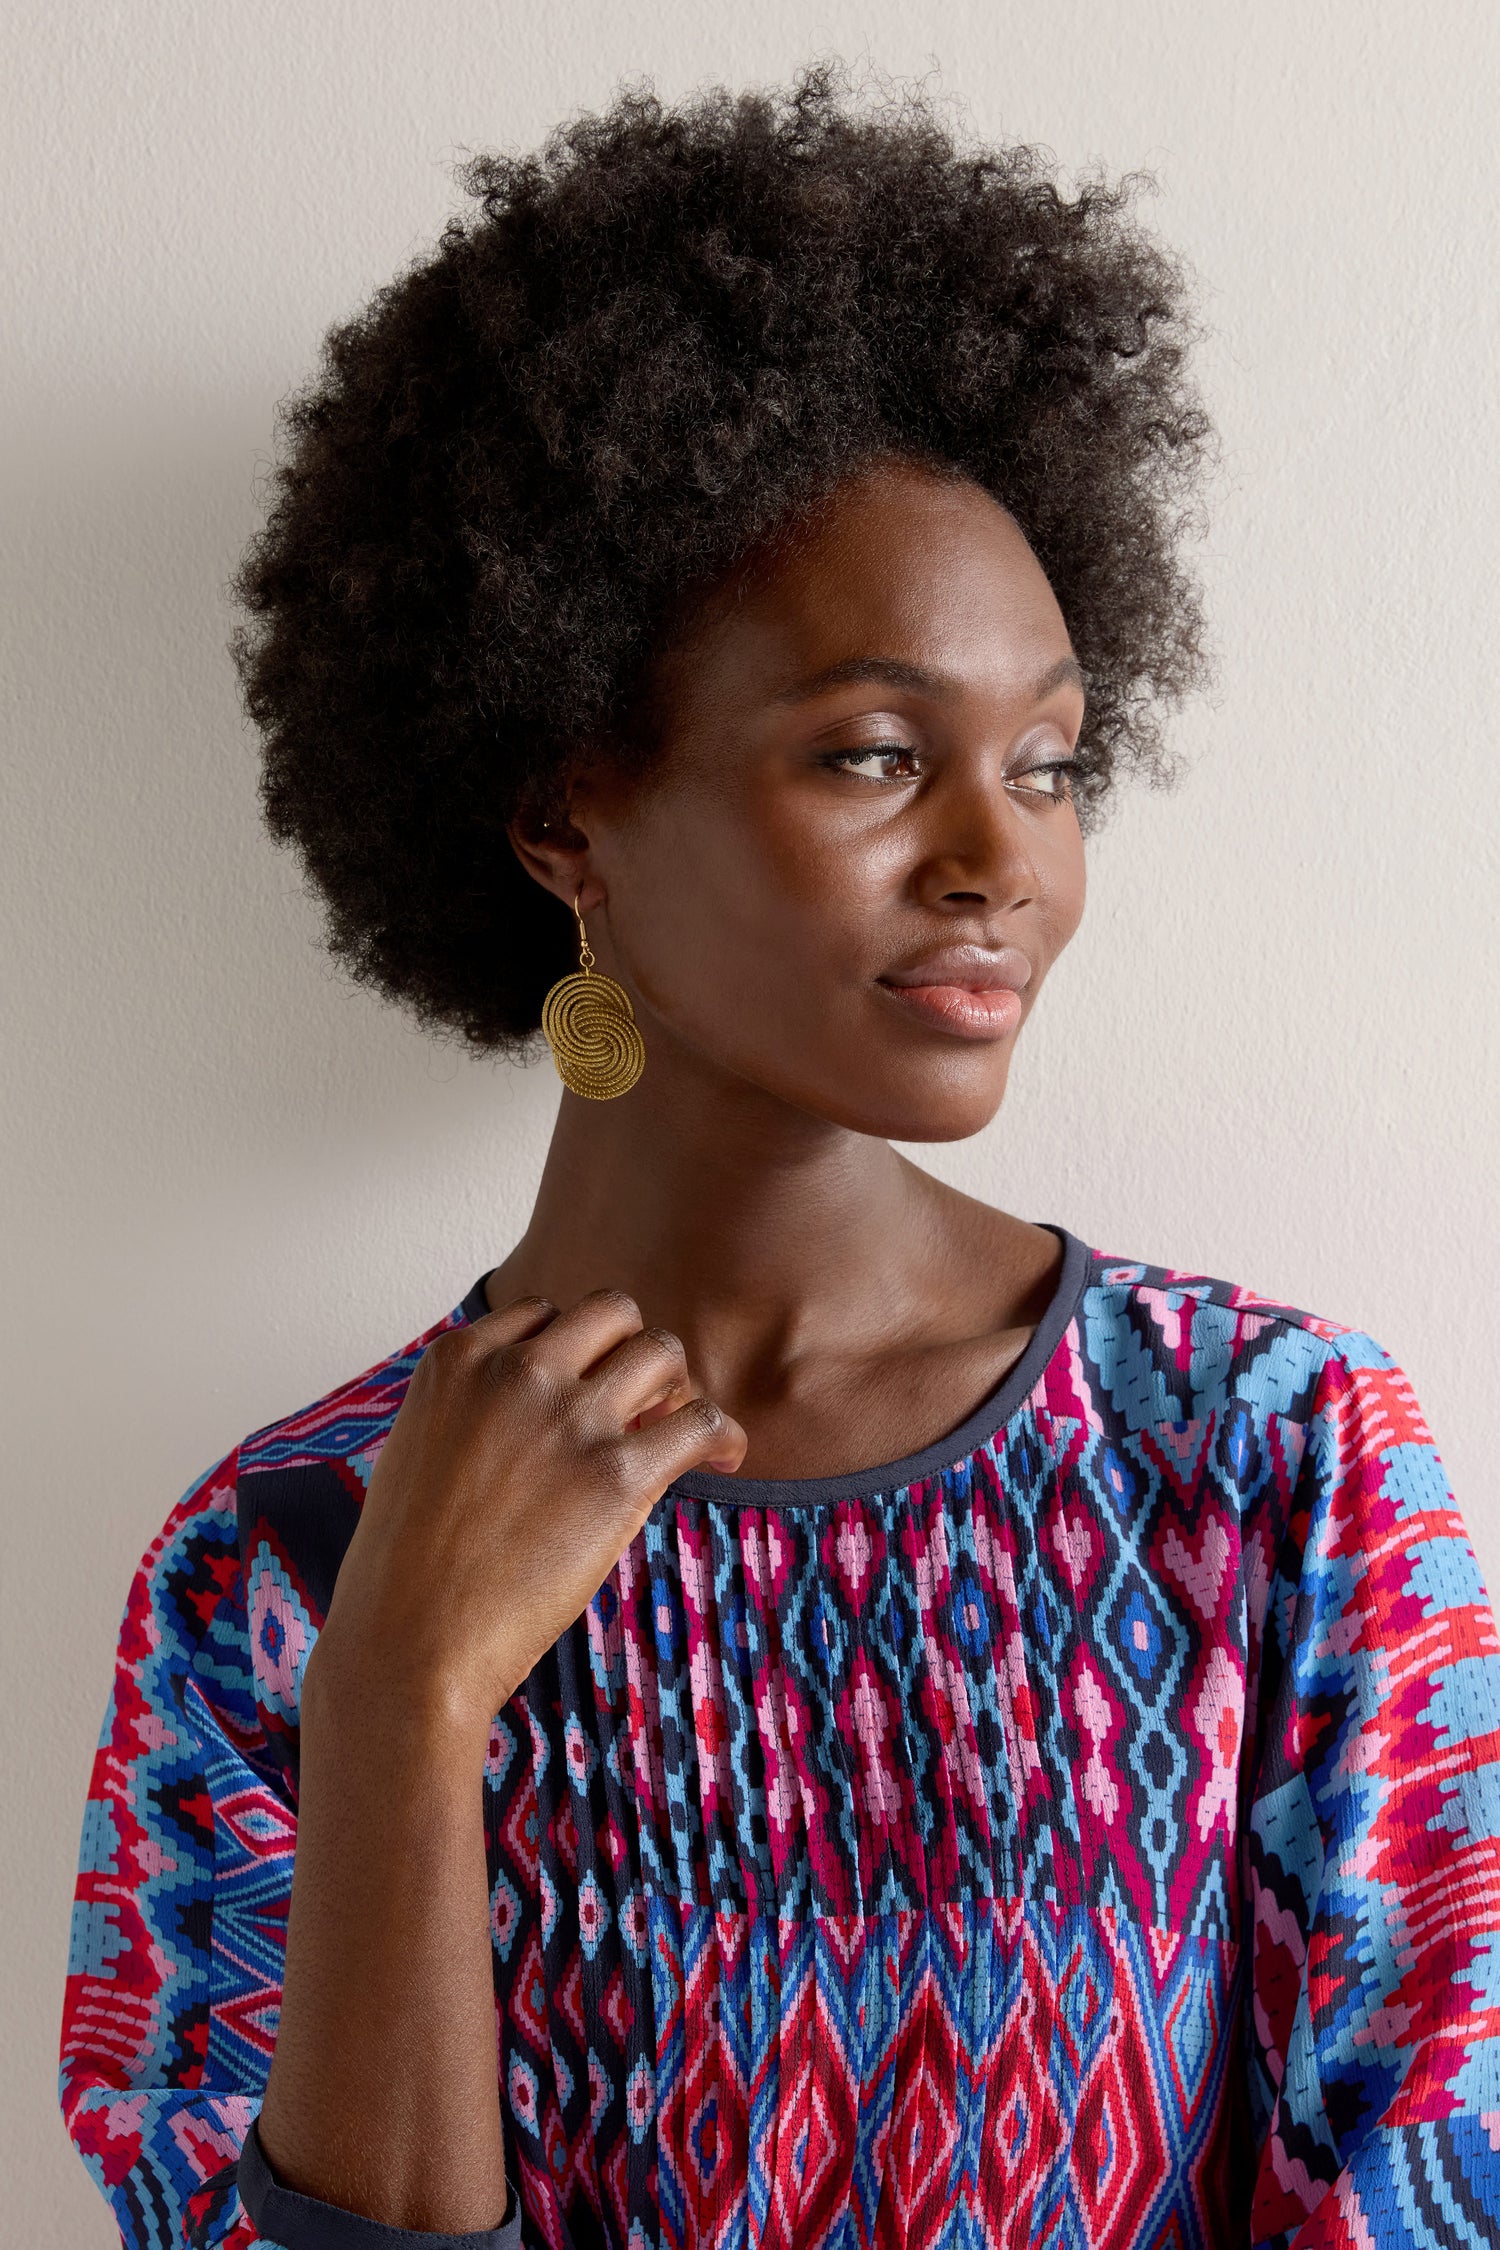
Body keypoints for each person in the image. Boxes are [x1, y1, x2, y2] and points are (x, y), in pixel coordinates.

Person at [58, 68, 1500, 2250]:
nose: (1001, 860)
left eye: (1050, 760)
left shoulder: (1270, 1466)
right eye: (872, 752)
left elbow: (1427, 2187)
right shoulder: (279, 1560)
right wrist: (401, 1696)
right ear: (566, 819)